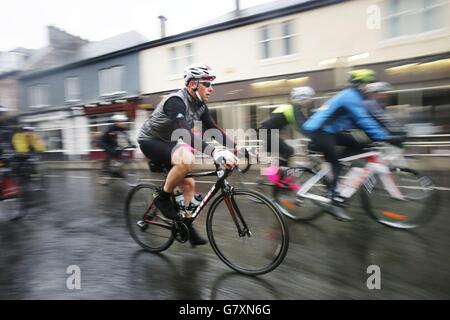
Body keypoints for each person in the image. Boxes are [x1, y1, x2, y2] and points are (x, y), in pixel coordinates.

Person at [138, 63, 239, 247]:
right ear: (193, 84)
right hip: (150, 141)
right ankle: (161, 198)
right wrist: (215, 151)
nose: (211, 88)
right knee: (186, 158)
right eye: (207, 84)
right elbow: (184, 134)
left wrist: (236, 148)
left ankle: (185, 227)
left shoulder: (200, 106)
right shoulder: (176, 101)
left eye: (211, 84)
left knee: (189, 185)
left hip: (168, 142)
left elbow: (212, 129)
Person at [302, 69, 404, 222]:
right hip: (319, 132)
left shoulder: (356, 97)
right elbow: (363, 119)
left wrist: (383, 135)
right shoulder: (350, 97)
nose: (371, 87)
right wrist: (385, 137)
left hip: (331, 132)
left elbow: (364, 121)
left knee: (363, 145)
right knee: (335, 161)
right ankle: (333, 201)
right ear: (360, 85)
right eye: (369, 84)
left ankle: (344, 168)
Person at [259, 86, 316, 167]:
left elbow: (301, 126)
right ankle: (276, 174)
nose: (310, 101)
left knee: (287, 152)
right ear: (302, 98)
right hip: (267, 134)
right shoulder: (293, 108)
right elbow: (303, 126)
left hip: (267, 133)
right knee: (289, 151)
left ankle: (278, 174)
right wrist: (315, 136)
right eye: (309, 98)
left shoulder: (291, 107)